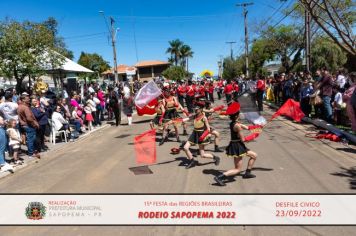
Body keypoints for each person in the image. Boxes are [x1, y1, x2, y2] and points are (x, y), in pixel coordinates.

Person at [214, 102, 258, 186]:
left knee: (254, 155)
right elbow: (243, 139)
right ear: (237, 115)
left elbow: (247, 127)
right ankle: (219, 177)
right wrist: (253, 136)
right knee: (237, 169)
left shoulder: (234, 123)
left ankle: (247, 173)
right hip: (238, 146)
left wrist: (257, 128)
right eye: (239, 113)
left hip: (236, 145)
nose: (240, 114)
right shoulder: (237, 125)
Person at [183, 102, 220, 169]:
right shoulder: (194, 116)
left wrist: (204, 136)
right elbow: (187, 119)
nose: (195, 110)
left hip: (201, 135)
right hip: (194, 134)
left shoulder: (204, 118)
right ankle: (192, 161)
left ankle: (215, 157)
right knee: (185, 148)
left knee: (202, 155)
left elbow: (208, 129)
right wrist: (179, 120)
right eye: (195, 109)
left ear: (200, 109)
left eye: (196, 109)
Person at [17, 94, 40, 159]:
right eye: (27, 98)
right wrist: (34, 124)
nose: (29, 99)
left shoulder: (19, 107)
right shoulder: (25, 107)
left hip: (24, 125)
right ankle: (31, 153)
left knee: (30, 139)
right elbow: (29, 118)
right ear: (23, 100)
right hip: (29, 125)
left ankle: (32, 152)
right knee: (31, 139)